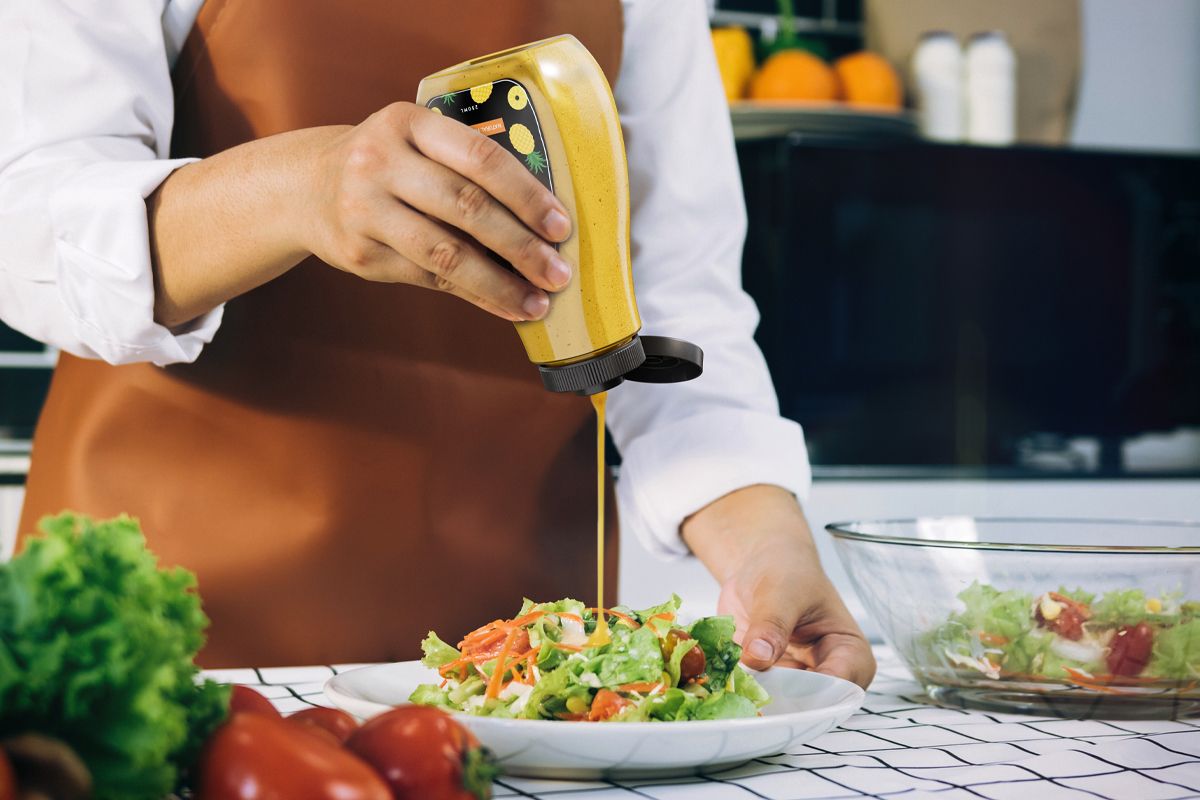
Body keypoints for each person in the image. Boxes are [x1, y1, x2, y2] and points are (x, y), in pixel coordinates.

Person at [0, 0, 874, 685]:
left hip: (512, 647)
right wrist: (300, 188)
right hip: (169, 616)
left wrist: (767, 545)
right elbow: (28, 222)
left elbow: (675, 298)